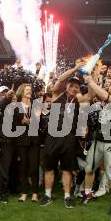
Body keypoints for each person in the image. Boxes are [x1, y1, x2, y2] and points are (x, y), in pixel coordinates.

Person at [39, 61, 90, 209]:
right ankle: (47, 195)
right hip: (53, 137)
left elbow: (91, 94)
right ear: (67, 86)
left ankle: (67, 196)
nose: (74, 88)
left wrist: (90, 77)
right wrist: (74, 68)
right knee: (49, 168)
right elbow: (61, 79)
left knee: (67, 169)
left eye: (77, 86)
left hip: (69, 139)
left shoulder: (78, 100)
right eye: (71, 85)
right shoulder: (56, 94)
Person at [81, 75, 111, 214]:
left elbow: (105, 96)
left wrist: (91, 81)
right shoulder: (103, 101)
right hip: (98, 140)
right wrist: (91, 79)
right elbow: (93, 96)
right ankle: (87, 193)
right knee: (89, 169)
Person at [14, 84, 40, 203]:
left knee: (34, 167)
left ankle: (35, 193)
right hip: (21, 140)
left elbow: (39, 120)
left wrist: (30, 121)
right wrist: (21, 121)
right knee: (23, 166)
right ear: (21, 91)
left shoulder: (36, 104)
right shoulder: (15, 106)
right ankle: (23, 193)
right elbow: (13, 122)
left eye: (30, 90)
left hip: (34, 140)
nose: (29, 91)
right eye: (27, 90)